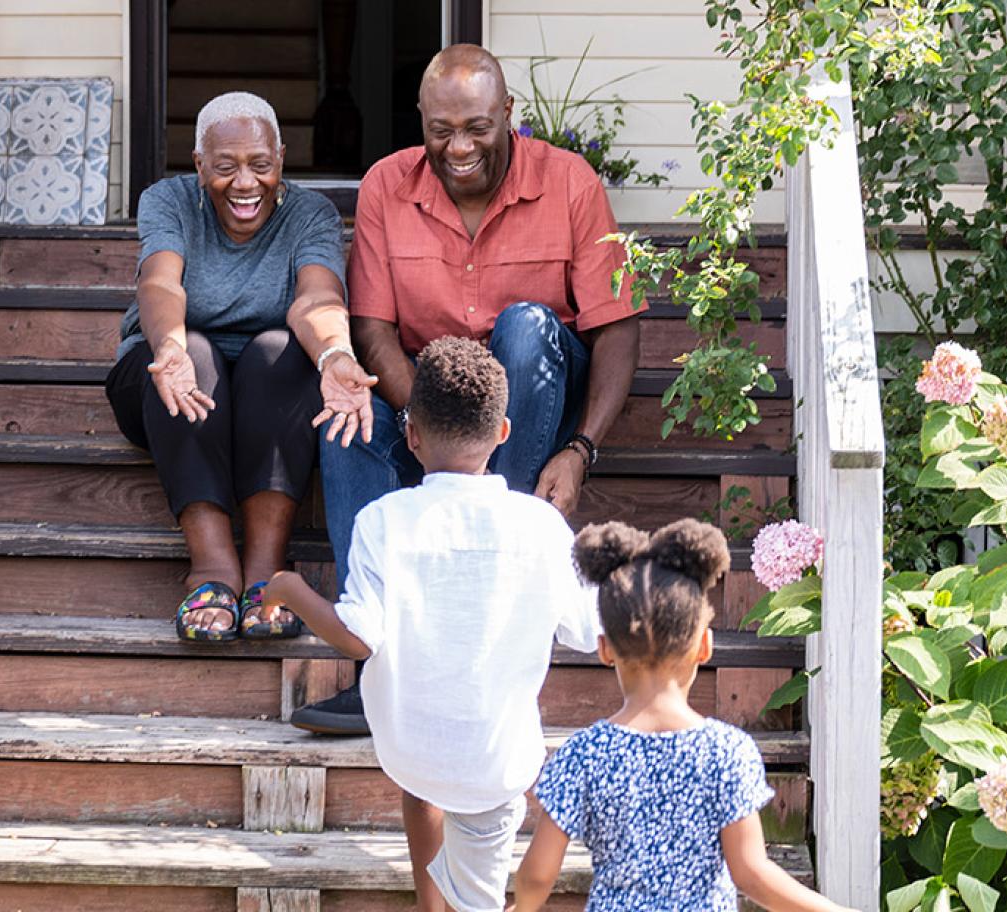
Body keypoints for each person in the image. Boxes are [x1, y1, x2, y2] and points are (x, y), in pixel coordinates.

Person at [294, 43, 644, 734]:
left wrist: (579, 450)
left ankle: (491, 624)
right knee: (346, 424)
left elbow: (618, 330)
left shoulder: (570, 182)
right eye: (441, 129)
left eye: (478, 128)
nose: (459, 147)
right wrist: (428, 428)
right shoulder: (385, 187)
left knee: (526, 328)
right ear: (420, 119)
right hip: (421, 398)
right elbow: (373, 329)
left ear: (509, 114)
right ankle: (381, 673)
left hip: (529, 405)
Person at [262, 338, 600, 912]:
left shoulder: (383, 520)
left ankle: (429, 902)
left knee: (423, 787)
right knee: (480, 894)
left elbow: (357, 638)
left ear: (411, 435)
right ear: (503, 433)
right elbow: (588, 632)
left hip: (410, 746)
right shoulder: (540, 526)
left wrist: (291, 589)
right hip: (495, 765)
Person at [105, 92, 376, 643]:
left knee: (279, 352)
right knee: (197, 354)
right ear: (199, 164)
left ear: (280, 157)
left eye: (260, 164)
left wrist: (335, 354)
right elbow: (161, 282)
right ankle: (211, 569)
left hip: (264, 391)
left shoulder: (310, 213)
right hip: (168, 380)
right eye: (225, 167)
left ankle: (265, 570)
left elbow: (315, 298)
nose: (245, 183)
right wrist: (170, 349)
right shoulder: (169, 200)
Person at [512, 519, 855, 912]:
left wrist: (522, 909)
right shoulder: (727, 751)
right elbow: (751, 873)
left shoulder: (583, 753)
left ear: (605, 650)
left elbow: (538, 873)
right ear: (704, 646)